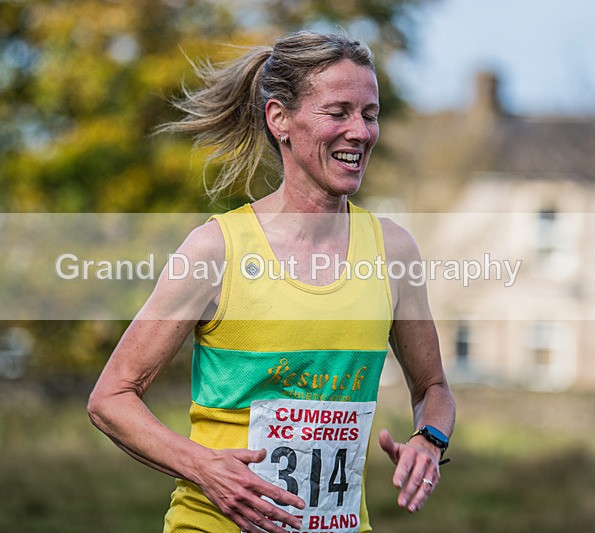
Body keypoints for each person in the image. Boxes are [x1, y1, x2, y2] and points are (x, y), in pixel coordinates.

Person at [88, 31, 455, 533]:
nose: (361, 132)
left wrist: (429, 440)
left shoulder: (393, 251)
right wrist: (203, 467)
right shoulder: (216, 250)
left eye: (369, 114)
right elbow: (112, 399)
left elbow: (432, 386)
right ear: (279, 118)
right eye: (338, 112)